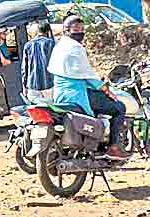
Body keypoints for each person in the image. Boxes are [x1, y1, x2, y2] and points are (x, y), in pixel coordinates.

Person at [47, 15, 127, 157]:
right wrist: (106, 90)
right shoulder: (76, 47)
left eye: (82, 29)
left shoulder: (59, 45)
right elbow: (88, 75)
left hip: (60, 93)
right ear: (66, 30)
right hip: (77, 93)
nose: (80, 32)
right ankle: (113, 146)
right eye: (76, 29)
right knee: (119, 107)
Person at [21, 21, 55, 104]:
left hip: (32, 86)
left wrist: (24, 87)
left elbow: (24, 69)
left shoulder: (28, 45)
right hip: (49, 85)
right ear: (48, 31)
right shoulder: (52, 43)